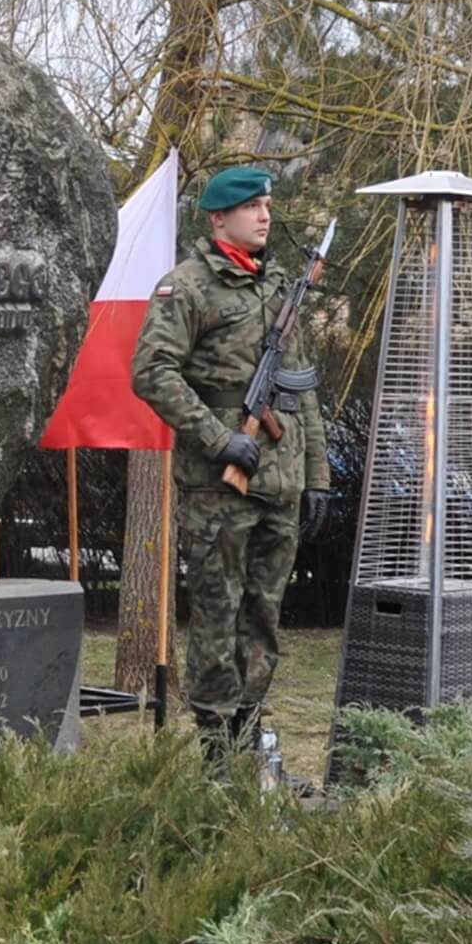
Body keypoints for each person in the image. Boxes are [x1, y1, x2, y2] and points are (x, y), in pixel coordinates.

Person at [130, 167, 330, 765]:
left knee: (263, 617)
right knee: (218, 617)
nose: (266, 215)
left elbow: (300, 392)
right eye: (252, 207)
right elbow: (152, 373)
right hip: (219, 489)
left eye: (268, 205)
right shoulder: (186, 288)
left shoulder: (278, 291)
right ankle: (217, 753)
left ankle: (251, 741)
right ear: (218, 218)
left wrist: (316, 474)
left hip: (280, 484)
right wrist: (219, 439)